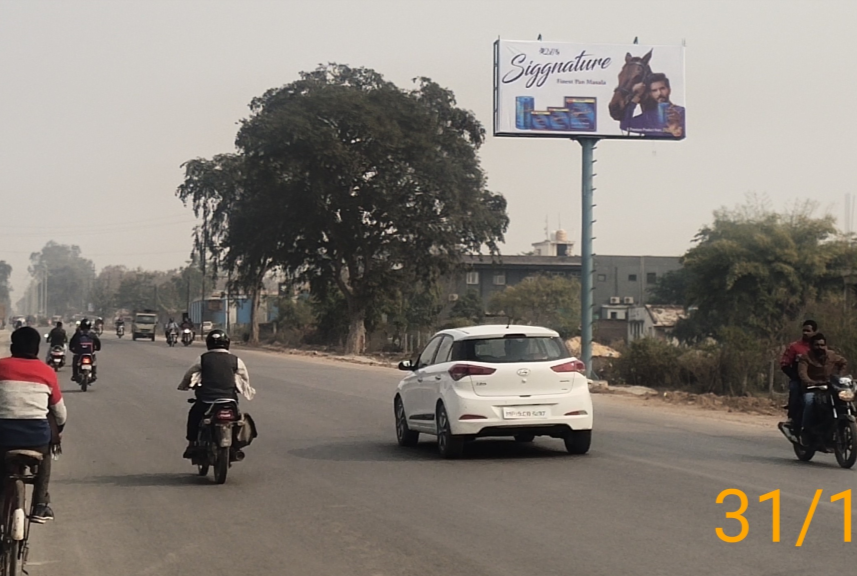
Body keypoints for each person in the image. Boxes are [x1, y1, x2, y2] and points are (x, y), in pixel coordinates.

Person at [0, 327, 67, 523]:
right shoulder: (47, 372)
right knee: (45, 458)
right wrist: (58, 430)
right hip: (36, 439)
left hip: (3, 437)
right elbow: (60, 414)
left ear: (12, 347)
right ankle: (39, 504)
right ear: (37, 349)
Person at [177, 329, 255, 458]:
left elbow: (189, 375)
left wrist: (184, 386)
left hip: (206, 401)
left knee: (194, 415)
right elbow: (245, 379)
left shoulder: (203, 358)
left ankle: (191, 444)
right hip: (229, 401)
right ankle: (235, 446)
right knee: (237, 420)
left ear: (209, 343)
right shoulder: (236, 360)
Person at [798, 332, 848, 446]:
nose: (820, 348)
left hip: (829, 388)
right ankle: (805, 430)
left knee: (842, 400)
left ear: (826, 345)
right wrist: (811, 382)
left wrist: (839, 377)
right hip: (812, 388)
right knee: (809, 402)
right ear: (811, 346)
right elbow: (802, 373)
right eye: (817, 345)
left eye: (822, 345)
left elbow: (843, 362)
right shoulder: (805, 358)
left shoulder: (832, 355)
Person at [778, 320, 817, 438]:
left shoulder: (819, 347)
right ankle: (792, 419)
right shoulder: (795, 347)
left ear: (815, 332)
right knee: (795, 390)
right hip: (798, 379)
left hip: (817, 380)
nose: (805, 333)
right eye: (804, 330)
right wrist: (795, 376)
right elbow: (784, 364)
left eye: (808, 331)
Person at [619, 72, 686, 138]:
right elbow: (625, 125)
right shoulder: (647, 117)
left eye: (662, 88)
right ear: (650, 94)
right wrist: (635, 99)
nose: (659, 93)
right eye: (654, 90)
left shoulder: (682, 112)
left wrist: (678, 124)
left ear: (669, 90)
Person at [69, 319, 101, 383]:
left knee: (75, 362)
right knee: (93, 362)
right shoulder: (92, 334)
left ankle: (74, 375)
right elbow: (98, 343)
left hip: (79, 353)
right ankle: (94, 374)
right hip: (90, 353)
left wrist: (72, 349)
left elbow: (71, 343)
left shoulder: (78, 334)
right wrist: (97, 348)